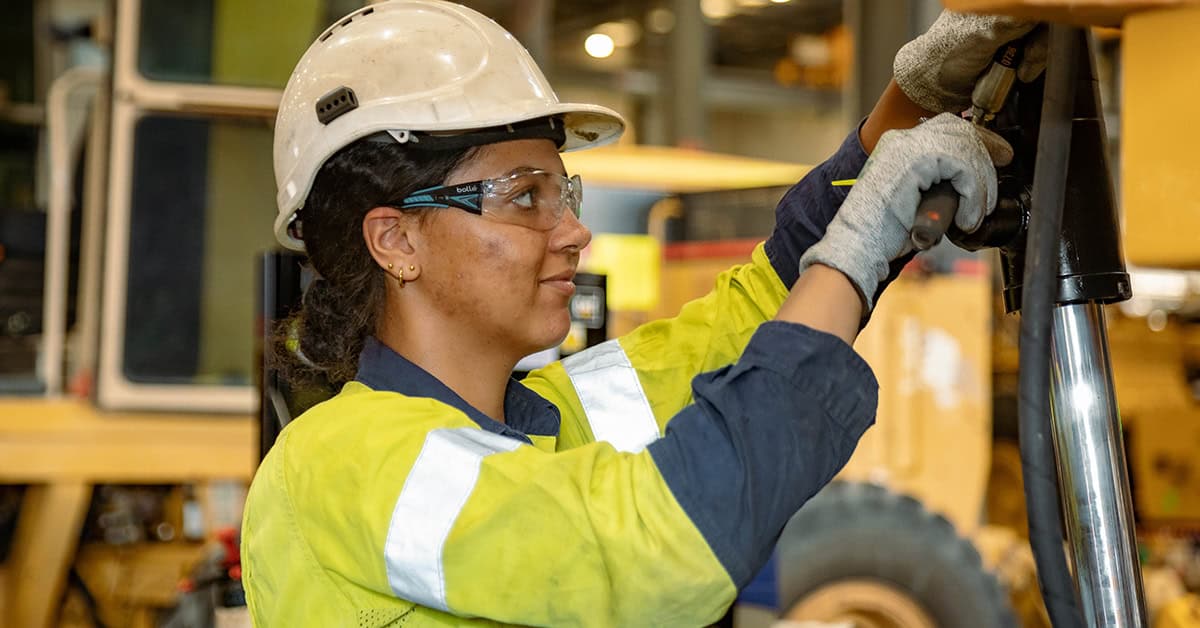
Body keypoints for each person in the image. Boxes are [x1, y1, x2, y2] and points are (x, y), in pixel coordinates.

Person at [241, 2, 1041, 625]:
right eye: (524, 197)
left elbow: (756, 313)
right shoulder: (340, 465)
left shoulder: (547, 419)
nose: (574, 232)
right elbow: (660, 550)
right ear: (395, 240)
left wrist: (907, 105)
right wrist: (860, 244)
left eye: (565, 193)